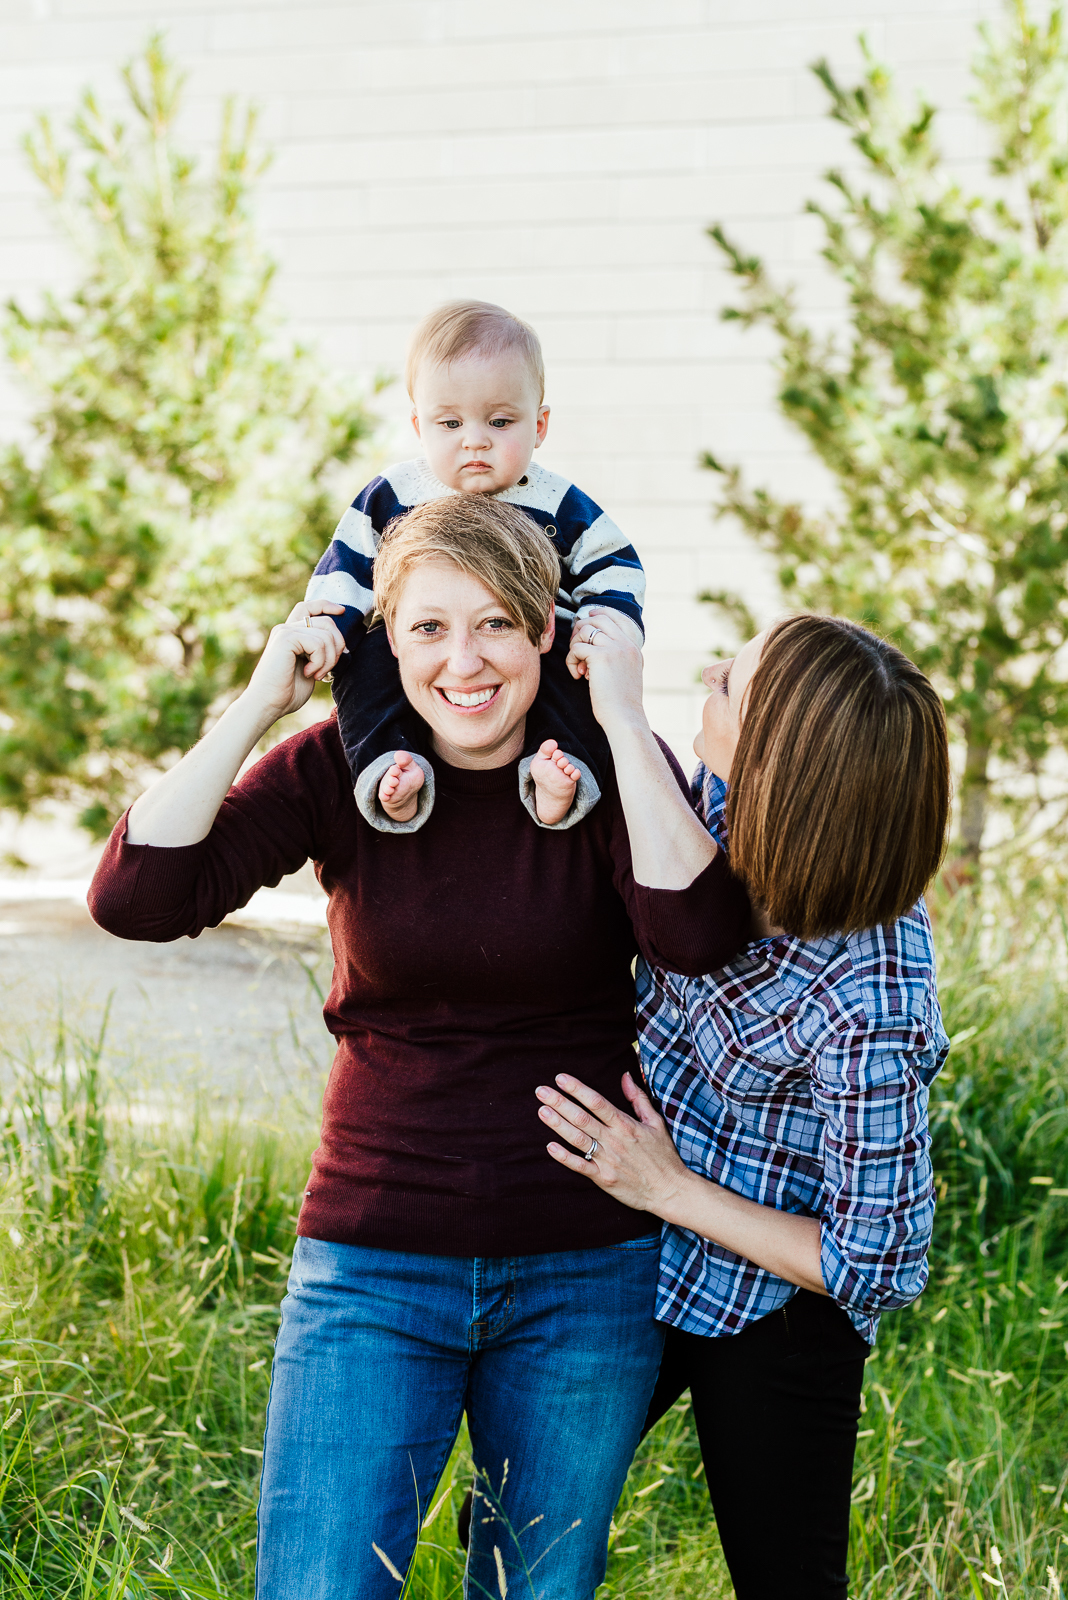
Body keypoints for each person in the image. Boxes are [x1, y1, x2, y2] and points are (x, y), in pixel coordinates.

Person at [87, 495, 751, 1600]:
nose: (465, 662)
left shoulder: (600, 774)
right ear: (387, 641)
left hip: (583, 1271)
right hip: (374, 1265)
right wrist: (262, 699)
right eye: (429, 629)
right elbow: (135, 895)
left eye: (497, 624)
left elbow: (695, 937)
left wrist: (626, 718)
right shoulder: (337, 772)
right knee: (322, 1585)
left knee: (532, 1589)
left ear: (549, 629)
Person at [537, 612, 952, 1600]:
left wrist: (672, 1188)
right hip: (630, 1243)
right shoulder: (719, 809)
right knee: (520, 1518)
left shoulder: (872, 996)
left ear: (781, 770)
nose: (711, 674)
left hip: (771, 1301)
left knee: (786, 1580)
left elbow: (878, 1264)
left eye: (732, 685)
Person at [302, 297, 646, 831]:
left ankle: (561, 770)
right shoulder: (395, 493)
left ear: (540, 426)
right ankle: (387, 767)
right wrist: (328, 625)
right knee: (362, 664)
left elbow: (614, 562)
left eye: (501, 420)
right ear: (420, 426)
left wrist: (606, 623)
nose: (475, 439)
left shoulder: (558, 501)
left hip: (537, 640)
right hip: (419, 644)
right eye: (451, 422)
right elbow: (348, 564)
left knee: (577, 676)